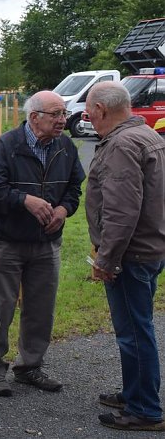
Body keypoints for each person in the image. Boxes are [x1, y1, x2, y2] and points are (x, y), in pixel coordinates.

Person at [0, 90, 86, 397]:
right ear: (35, 116)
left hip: (47, 243)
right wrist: (25, 200)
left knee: (41, 308)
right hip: (7, 241)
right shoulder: (7, 145)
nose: (63, 121)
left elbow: (75, 188)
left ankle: (30, 367)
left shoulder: (65, 146)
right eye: (57, 114)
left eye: (64, 114)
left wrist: (63, 211)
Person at [84, 81, 165, 432]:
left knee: (134, 332)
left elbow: (121, 210)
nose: (87, 117)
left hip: (131, 255)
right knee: (138, 327)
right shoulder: (149, 137)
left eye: (89, 111)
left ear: (101, 110)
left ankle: (145, 409)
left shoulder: (121, 144)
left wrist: (107, 258)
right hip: (150, 249)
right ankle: (137, 393)